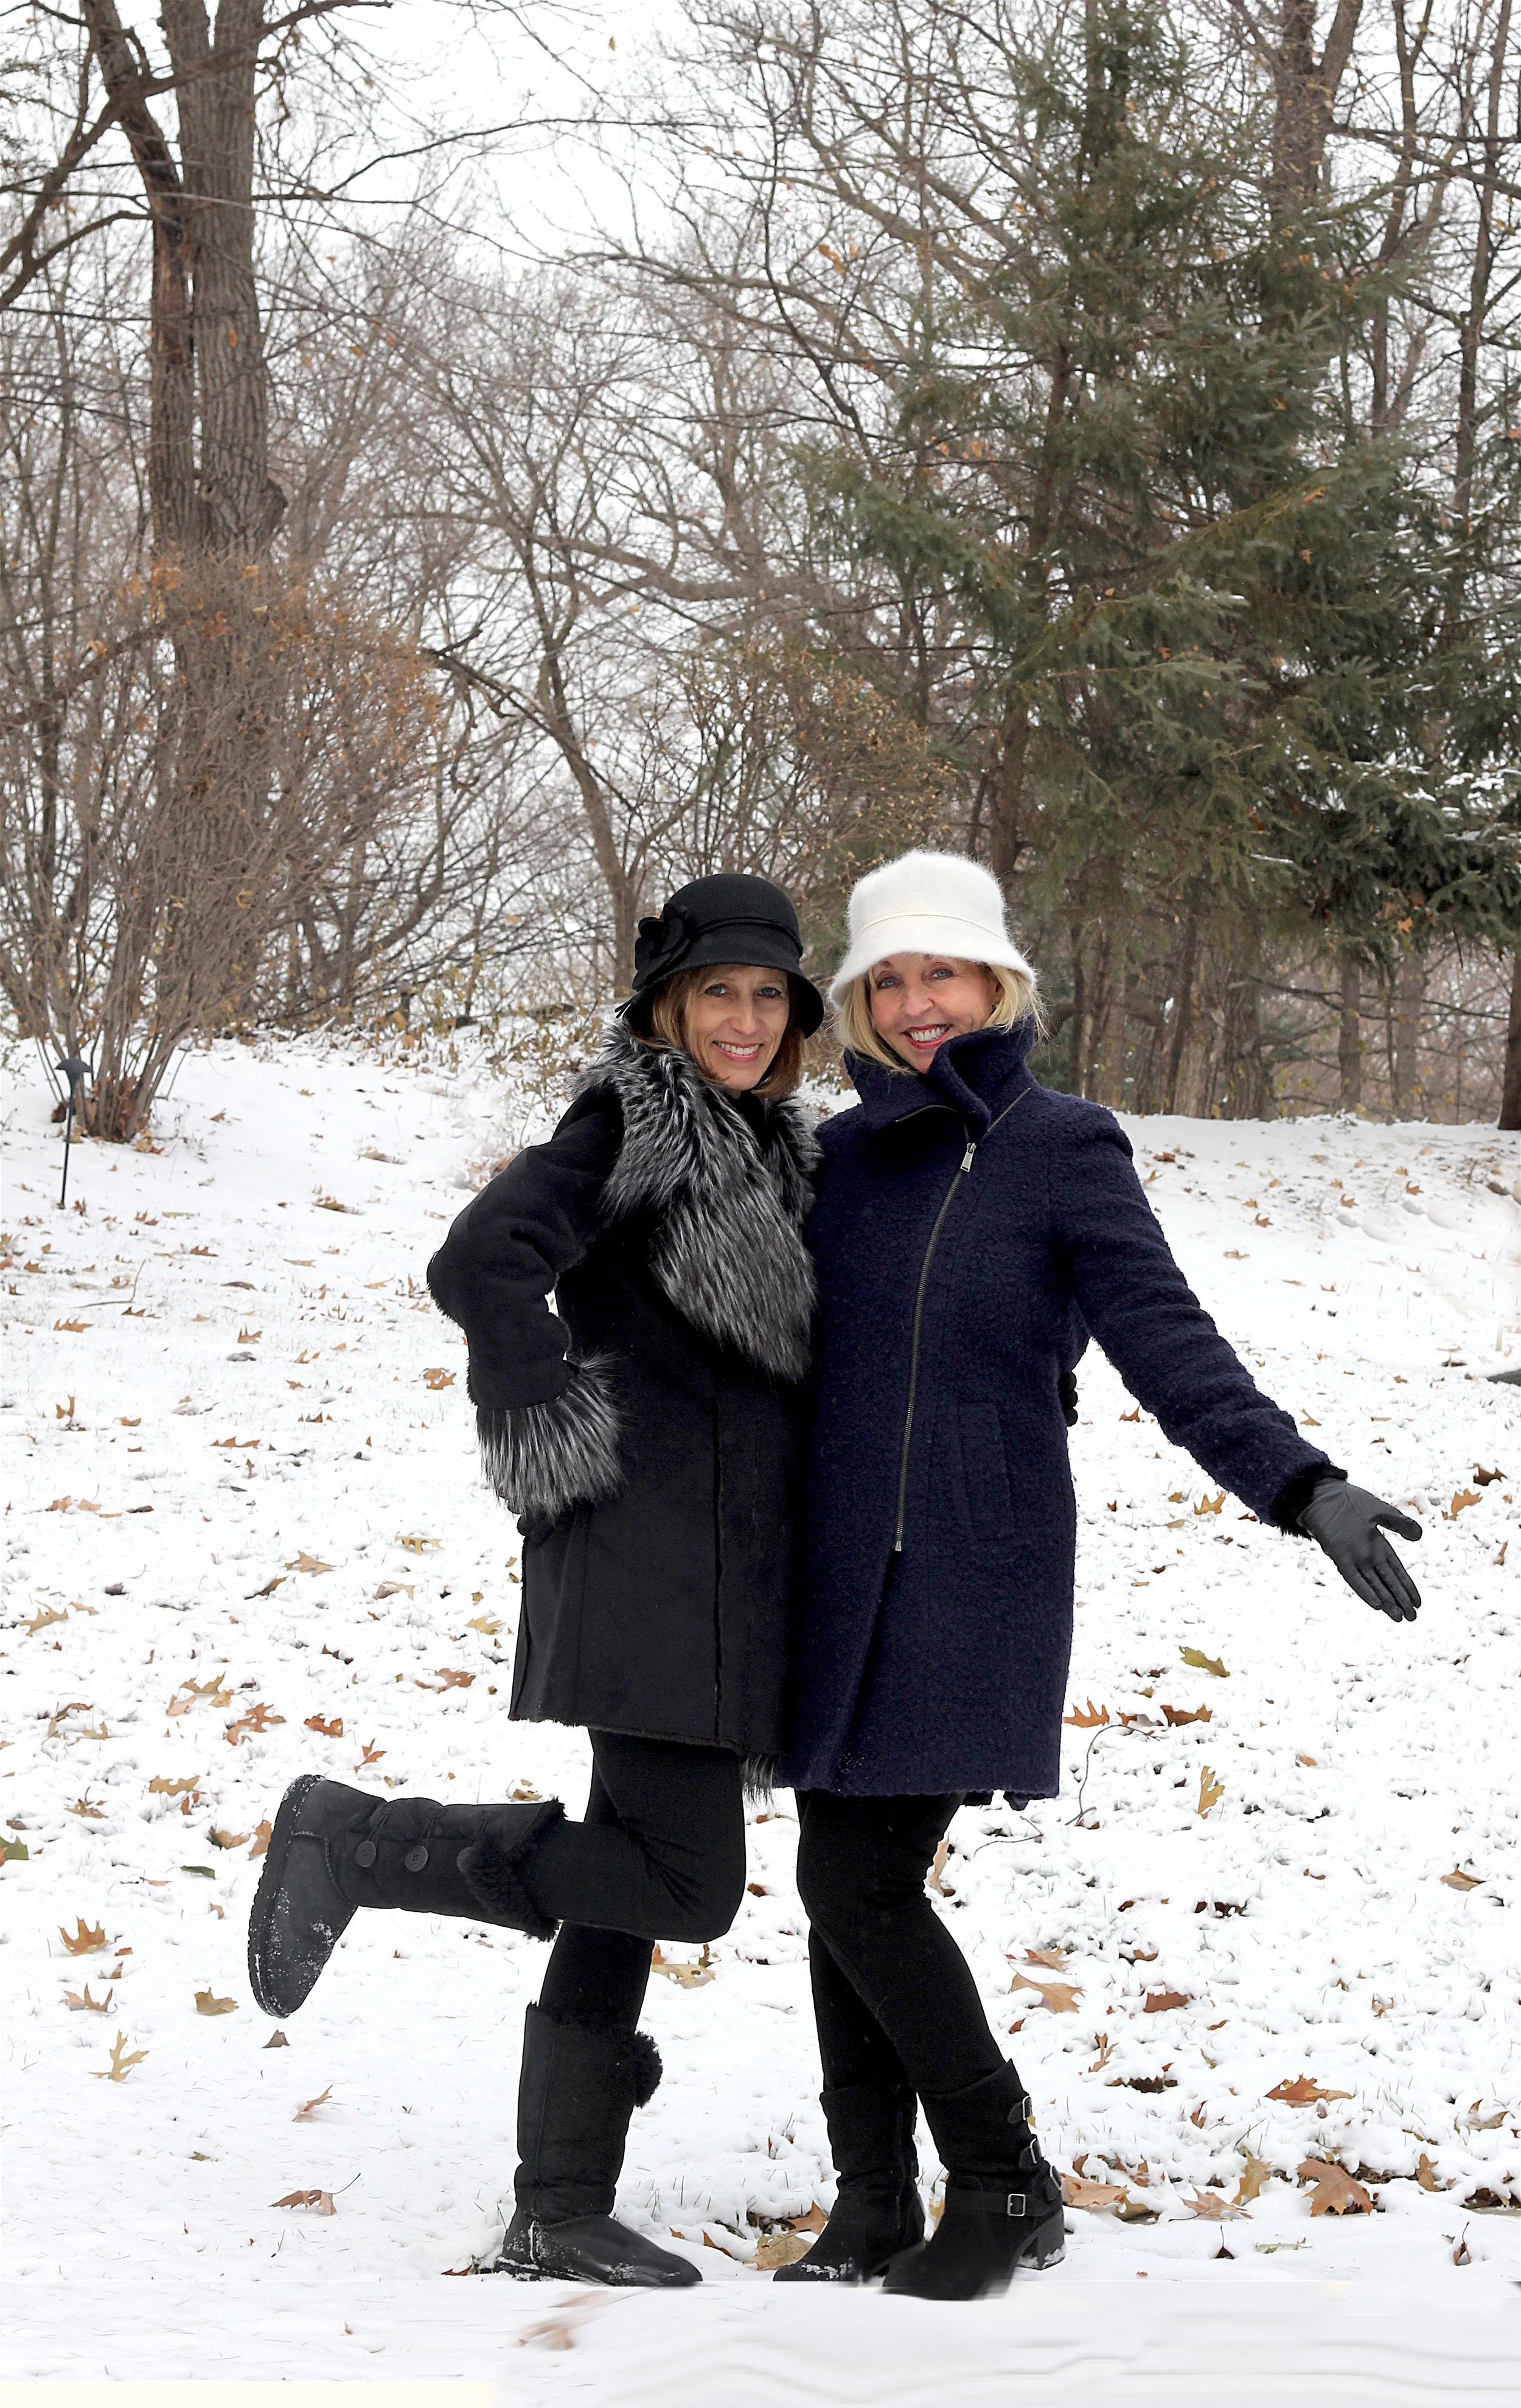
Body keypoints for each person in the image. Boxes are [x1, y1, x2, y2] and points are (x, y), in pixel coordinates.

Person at [773, 849, 1422, 2302]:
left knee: (857, 1875)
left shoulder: (1063, 1145)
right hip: (825, 1566)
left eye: (940, 970)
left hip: (970, 1561)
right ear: (864, 1004)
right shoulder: (834, 1160)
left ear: (996, 981)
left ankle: (1003, 2180)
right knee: (836, 1880)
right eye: (888, 977)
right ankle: (870, 2200)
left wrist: (1295, 1481)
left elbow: (1162, 1335)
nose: (916, 998)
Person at [247, 874, 824, 2289]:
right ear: (665, 1007)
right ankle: (358, 1839)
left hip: (721, 1572)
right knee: (688, 1886)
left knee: (631, 1888)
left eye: (766, 996)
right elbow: (479, 1258)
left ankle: (558, 2203)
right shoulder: (627, 1122)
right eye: (716, 994)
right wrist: (555, 1412)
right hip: (643, 1557)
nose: (742, 1020)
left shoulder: (775, 1151)